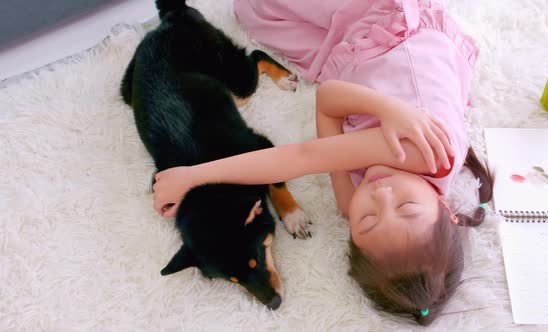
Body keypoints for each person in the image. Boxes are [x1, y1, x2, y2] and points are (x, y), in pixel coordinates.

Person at [152, 0, 493, 325]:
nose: (381, 194)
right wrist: (193, 176)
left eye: (368, 220)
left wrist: (345, 140)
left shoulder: (350, 202)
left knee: (251, 11)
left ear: (353, 234)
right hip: (392, 26)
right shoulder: (419, 153)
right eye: (406, 206)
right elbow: (304, 154)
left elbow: (328, 101)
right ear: (444, 207)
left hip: (352, 63)